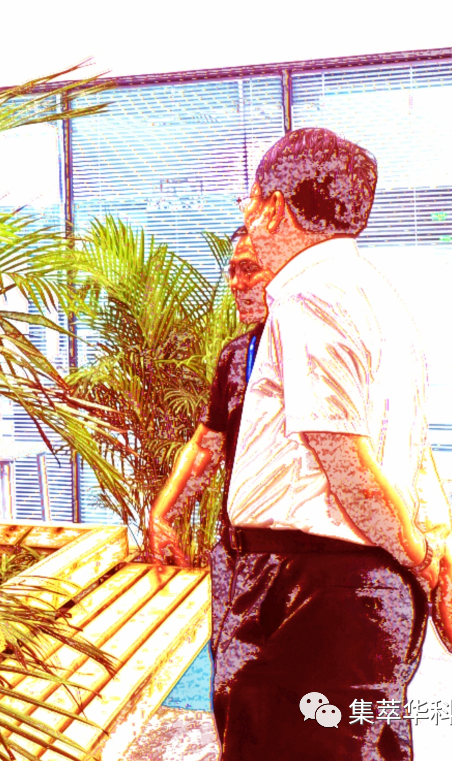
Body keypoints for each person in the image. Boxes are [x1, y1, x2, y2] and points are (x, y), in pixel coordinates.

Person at [213, 127, 452, 761]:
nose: (246, 213)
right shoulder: (378, 297)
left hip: (319, 590)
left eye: (249, 198)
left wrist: (425, 562)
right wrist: (433, 561)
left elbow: (349, 465)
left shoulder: (308, 295)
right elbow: (412, 452)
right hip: (357, 591)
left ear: (273, 207)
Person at [146, 226, 270, 659]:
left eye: (249, 269)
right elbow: (207, 444)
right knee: (232, 678)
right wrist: (163, 515)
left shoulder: (320, 352)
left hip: (303, 564)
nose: (236, 283)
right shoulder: (236, 356)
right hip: (239, 554)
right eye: (232, 271)